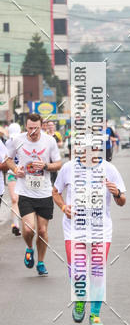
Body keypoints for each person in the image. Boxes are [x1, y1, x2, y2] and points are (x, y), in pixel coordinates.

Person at [52, 148, 126, 325]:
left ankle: (95, 315)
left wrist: (116, 193)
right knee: (77, 269)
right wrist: (63, 207)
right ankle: (79, 298)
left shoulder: (110, 169)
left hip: (101, 229)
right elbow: (56, 191)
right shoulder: (68, 168)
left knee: (98, 272)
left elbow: (122, 200)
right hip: (74, 229)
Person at [4, 113, 62, 275]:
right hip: (25, 191)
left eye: (35, 129)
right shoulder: (18, 140)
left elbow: (58, 164)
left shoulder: (49, 141)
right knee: (29, 230)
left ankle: (41, 262)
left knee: (42, 231)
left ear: (41, 126)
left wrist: (45, 166)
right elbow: (8, 159)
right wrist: (16, 169)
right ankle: (29, 249)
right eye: (29, 128)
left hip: (44, 192)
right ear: (25, 127)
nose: (32, 132)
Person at [5, 122, 22, 235]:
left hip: (23, 175)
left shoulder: (25, 141)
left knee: (22, 201)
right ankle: (16, 225)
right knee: (14, 199)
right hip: (12, 173)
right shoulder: (7, 142)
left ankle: (26, 224)